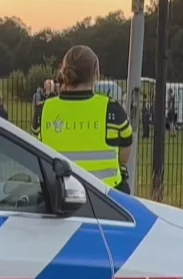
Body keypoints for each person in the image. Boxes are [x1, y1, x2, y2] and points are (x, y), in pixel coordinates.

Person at [37, 44, 133, 191]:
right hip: (106, 200)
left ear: (63, 73)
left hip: (56, 198)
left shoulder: (42, 110)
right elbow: (124, 157)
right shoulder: (112, 110)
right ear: (96, 74)